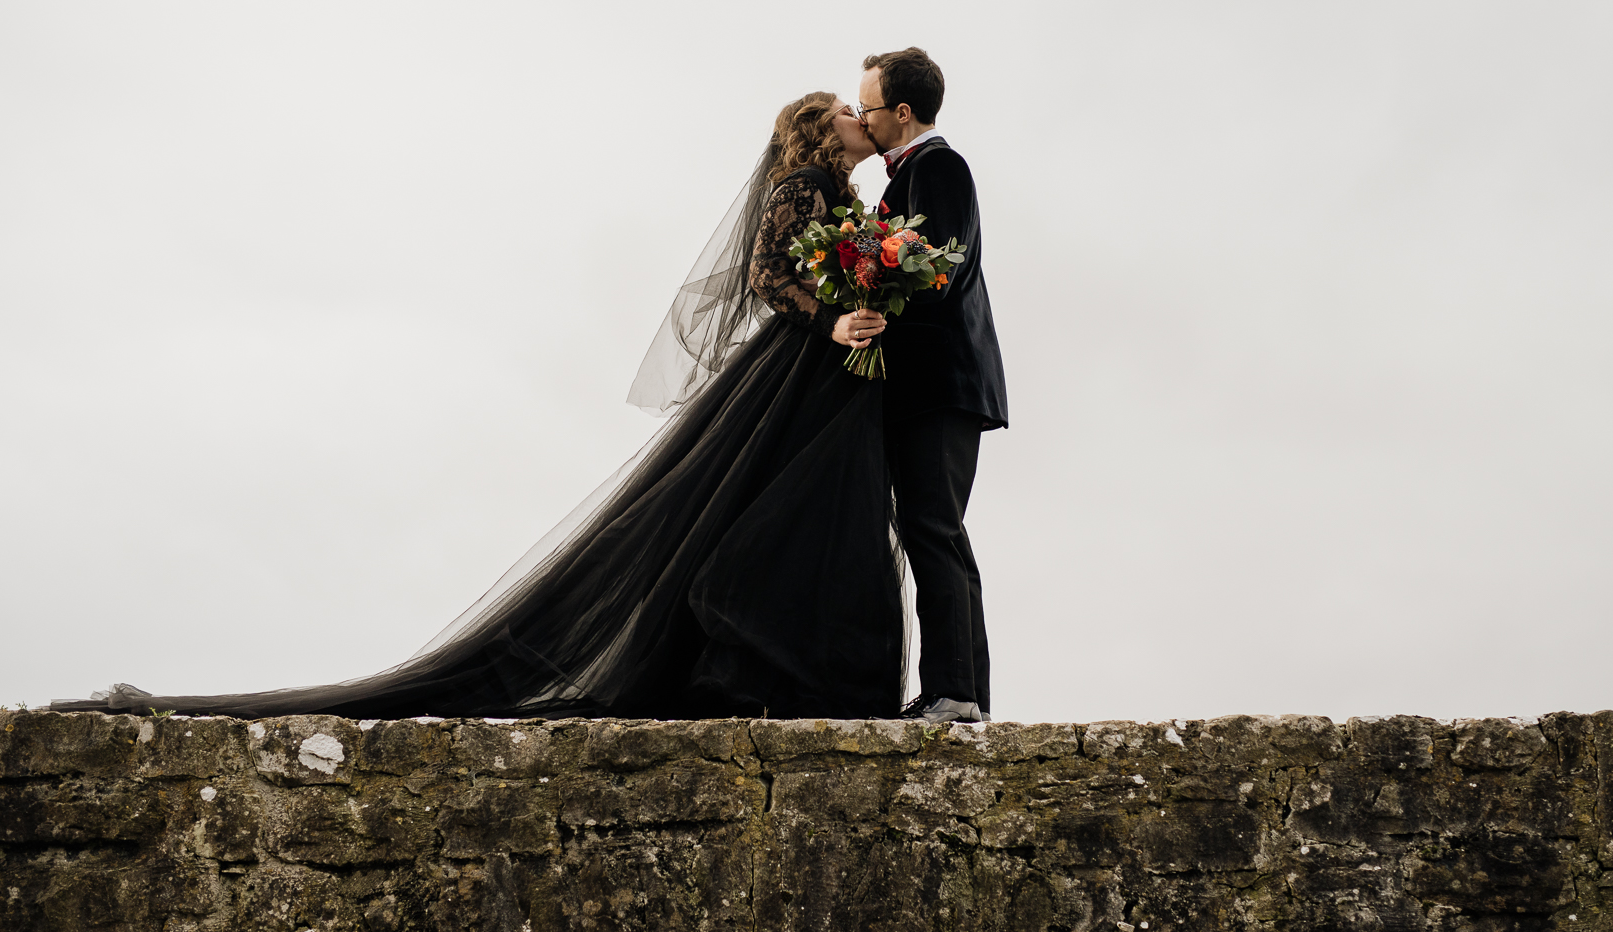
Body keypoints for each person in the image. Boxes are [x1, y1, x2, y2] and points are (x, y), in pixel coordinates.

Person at [54, 93, 910, 721]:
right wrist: (837, 319)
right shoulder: (801, 183)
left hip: (821, 371)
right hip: (803, 361)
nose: (852, 115)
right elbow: (767, 278)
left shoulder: (848, 197)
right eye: (841, 106)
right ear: (812, 126)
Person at [854, 48, 1007, 726]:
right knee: (930, 529)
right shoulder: (907, 175)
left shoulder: (938, 166)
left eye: (869, 109)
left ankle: (955, 690)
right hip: (926, 385)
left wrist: (879, 302)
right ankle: (960, 690)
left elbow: (941, 267)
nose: (865, 120)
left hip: (941, 382)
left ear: (902, 113)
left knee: (934, 529)